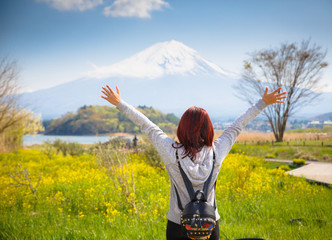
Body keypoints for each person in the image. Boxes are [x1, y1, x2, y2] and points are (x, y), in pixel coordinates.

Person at [101, 85, 286, 240]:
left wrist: (119, 103)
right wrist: (262, 103)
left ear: (182, 127)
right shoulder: (217, 151)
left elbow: (148, 126)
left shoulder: (170, 151)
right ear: (209, 128)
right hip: (209, 223)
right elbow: (237, 126)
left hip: (177, 224)